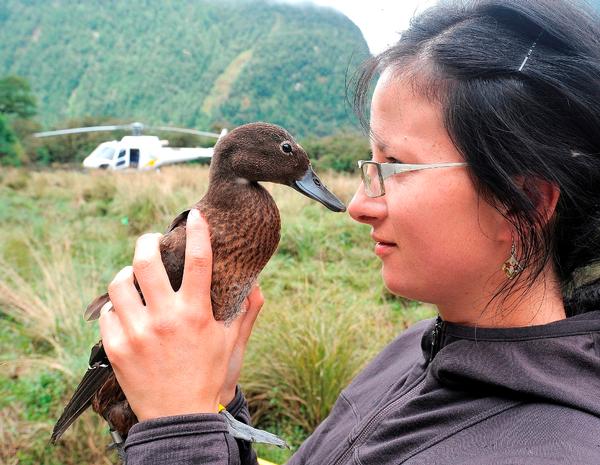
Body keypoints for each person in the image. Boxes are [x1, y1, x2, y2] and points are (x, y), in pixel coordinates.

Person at [98, 0, 600, 463]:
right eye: (370, 162)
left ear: (525, 201)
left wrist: (178, 430)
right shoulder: (410, 351)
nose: (358, 205)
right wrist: (212, 409)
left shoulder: (555, 450)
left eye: (397, 166)